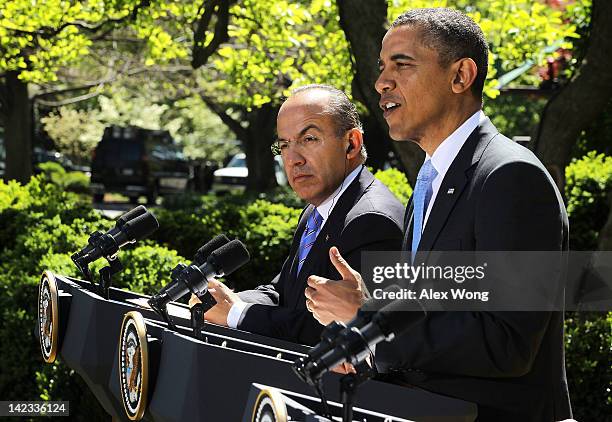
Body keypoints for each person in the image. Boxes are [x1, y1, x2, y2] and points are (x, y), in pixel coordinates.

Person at [306, 8, 572, 421]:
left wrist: (367, 316)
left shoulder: (511, 177)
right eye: (381, 67)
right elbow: (433, 315)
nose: (381, 82)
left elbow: (507, 344)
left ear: (460, 76)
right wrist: (366, 342)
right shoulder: (429, 182)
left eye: (402, 64)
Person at [193, 84, 404, 346]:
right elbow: (282, 294)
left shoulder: (372, 220)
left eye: (309, 139)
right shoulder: (316, 211)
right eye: (284, 145)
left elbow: (326, 329)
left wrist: (236, 313)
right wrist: (224, 299)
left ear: (351, 144)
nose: (293, 159)